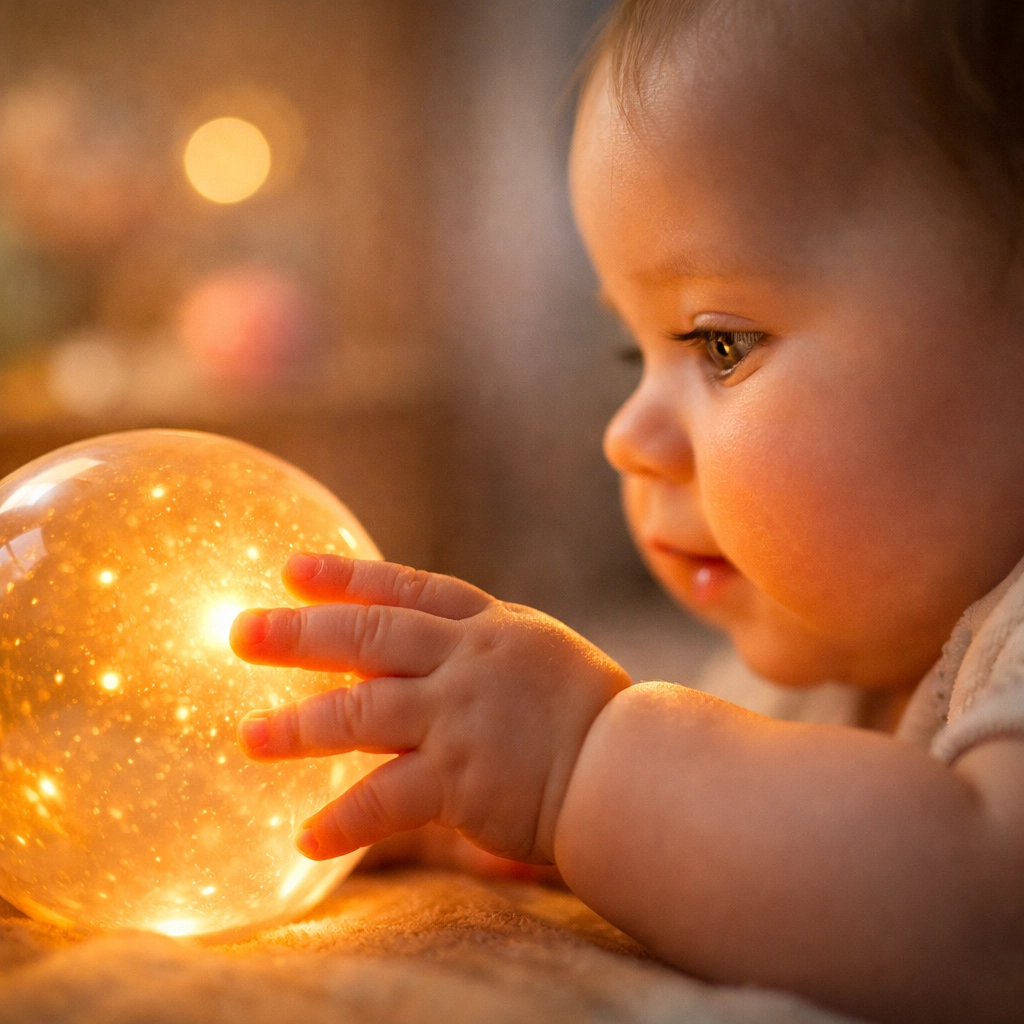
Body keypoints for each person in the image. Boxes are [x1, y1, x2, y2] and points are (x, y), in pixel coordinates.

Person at [229, 2, 1024, 1020]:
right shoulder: (802, 678)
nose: (625, 434)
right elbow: (774, 867)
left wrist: (576, 764)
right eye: (629, 351)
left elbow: (982, 911)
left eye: (717, 341)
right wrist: (493, 806)